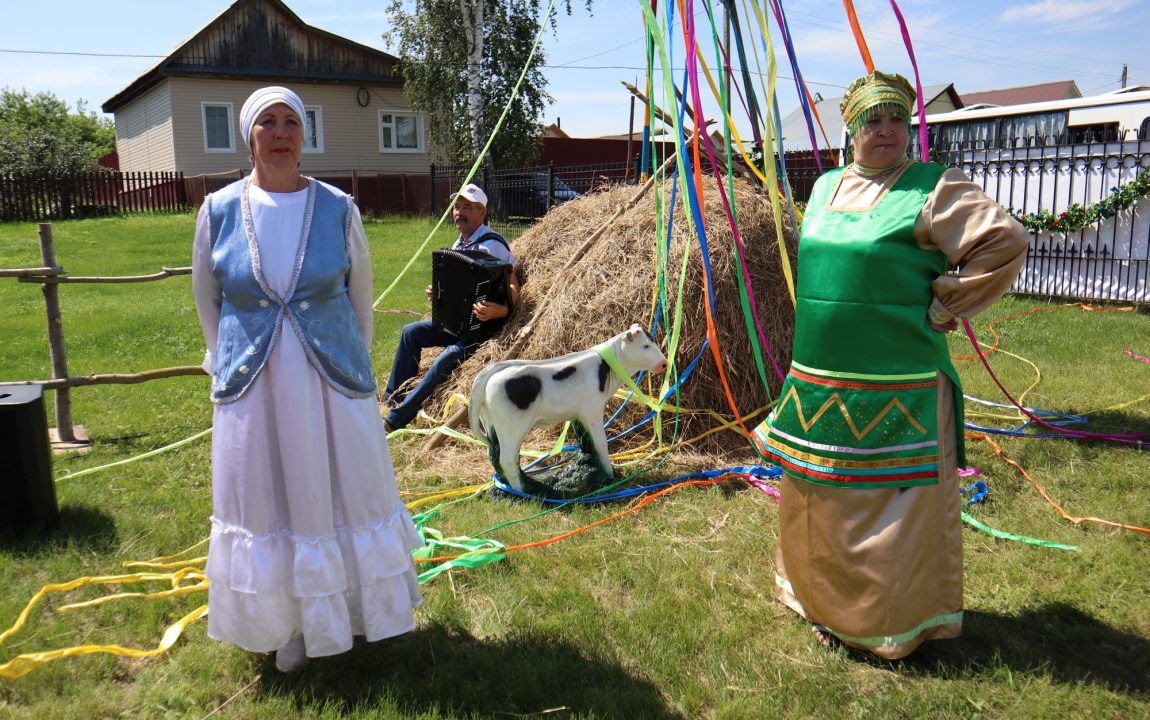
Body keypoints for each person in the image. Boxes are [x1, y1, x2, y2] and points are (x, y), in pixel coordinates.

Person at [750, 70, 1029, 659]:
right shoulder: (824, 187)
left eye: (898, 119)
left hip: (899, 380)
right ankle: (819, 603)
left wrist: (945, 301)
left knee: (894, 505)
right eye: (873, 120)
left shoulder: (934, 188)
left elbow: (1004, 240)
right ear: (850, 129)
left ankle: (893, 623)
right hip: (821, 377)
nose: (887, 131)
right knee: (820, 497)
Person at [192, 86, 423, 673]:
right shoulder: (218, 210)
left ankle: (342, 612)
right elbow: (208, 299)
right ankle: (285, 628)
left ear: (304, 135)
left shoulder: (337, 208)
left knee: (337, 492)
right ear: (250, 136)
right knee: (269, 496)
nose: (280, 132)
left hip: (327, 381)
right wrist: (224, 361)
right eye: (267, 122)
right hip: (255, 383)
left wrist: (349, 365)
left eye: (291, 121)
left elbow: (361, 299)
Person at [383, 183, 521, 431]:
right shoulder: (460, 244)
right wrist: (438, 294)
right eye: (457, 207)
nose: (459, 213)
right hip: (456, 322)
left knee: (445, 359)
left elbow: (512, 286)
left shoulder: (492, 244)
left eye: (467, 207)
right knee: (410, 332)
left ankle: (397, 419)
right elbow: (455, 286)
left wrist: (499, 311)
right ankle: (392, 398)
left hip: (482, 328)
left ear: (482, 212)